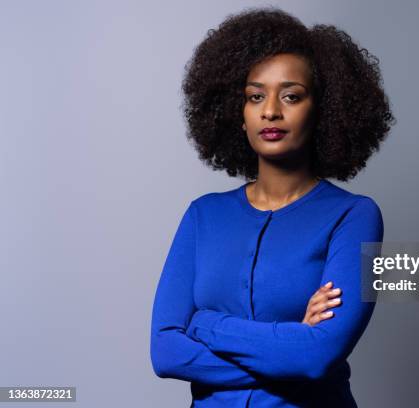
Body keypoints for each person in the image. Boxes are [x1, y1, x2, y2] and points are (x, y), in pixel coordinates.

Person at [150, 6, 394, 407]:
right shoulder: (203, 216)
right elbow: (165, 352)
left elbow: (317, 356)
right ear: (238, 115)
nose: (271, 110)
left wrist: (205, 324)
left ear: (323, 111)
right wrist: (292, 340)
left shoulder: (354, 216)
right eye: (255, 96)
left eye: (292, 96)